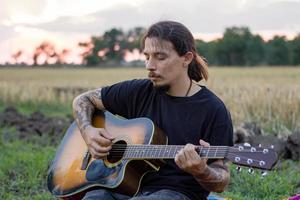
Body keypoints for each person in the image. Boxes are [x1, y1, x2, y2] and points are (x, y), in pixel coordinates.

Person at [72, 21, 233, 200]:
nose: (149, 65)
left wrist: (202, 171)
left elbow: (221, 179)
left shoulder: (213, 109)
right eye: (147, 57)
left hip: (175, 193)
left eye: (160, 57)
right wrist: (88, 132)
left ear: (186, 58)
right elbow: (83, 100)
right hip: (122, 187)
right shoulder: (138, 91)